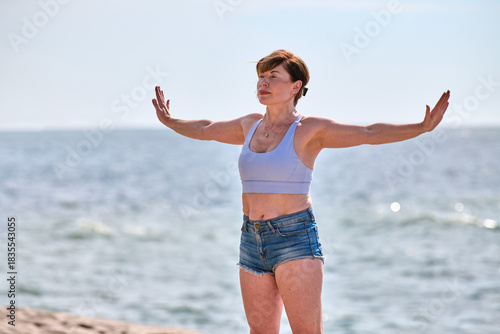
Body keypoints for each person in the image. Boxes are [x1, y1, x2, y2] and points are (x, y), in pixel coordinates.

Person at [152, 49, 450, 334]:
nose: (263, 82)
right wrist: (169, 121)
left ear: (296, 86)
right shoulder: (249, 125)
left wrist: (420, 128)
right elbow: (206, 129)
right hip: (252, 238)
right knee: (260, 330)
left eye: (273, 76)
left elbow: (369, 133)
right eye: (261, 76)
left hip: (294, 237)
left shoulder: (310, 129)